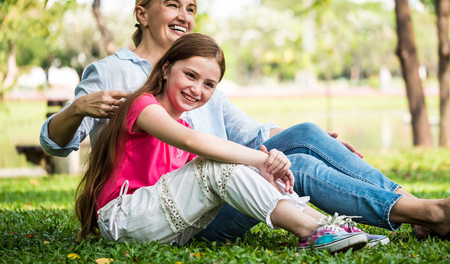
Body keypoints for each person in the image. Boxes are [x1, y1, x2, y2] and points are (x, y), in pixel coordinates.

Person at [40, 0, 450, 244]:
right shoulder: (114, 75)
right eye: (172, 5)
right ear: (142, 14)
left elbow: (254, 133)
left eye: (190, 9)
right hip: (168, 204)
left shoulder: (197, 77)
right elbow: (56, 145)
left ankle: (416, 209)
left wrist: (318, 144)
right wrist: (77, 109)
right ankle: (425, 212)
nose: (184, 16)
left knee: (306, 135)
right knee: (294, 165)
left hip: (224, 185)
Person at [75, 33, 369, 253]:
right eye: (190, 75)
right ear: (165, 70)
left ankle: (333, 227)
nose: (196, 89)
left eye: (208, 84)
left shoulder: (184, 122)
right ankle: (312, 231)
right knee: (219, 164)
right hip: (123, 220)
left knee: (244, 170)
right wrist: (262, 159)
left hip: (165, 225)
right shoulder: (143, 105)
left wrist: (261, 173)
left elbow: (200, 178)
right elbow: (194, 142)